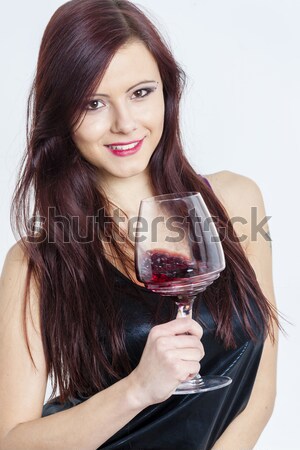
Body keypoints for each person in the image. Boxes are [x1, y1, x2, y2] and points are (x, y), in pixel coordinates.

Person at [0, 0, 279, 449]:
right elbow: (12, 441)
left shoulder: (236, 204)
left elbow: (260, 393)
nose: (125, 123)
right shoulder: (37, 262)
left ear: (168, 92)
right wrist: (137, 390)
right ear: (61, 114)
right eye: (93, 103)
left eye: (141, 92)